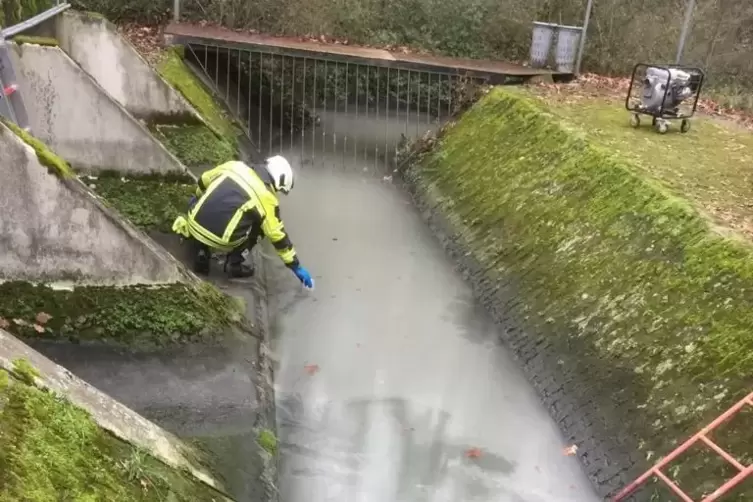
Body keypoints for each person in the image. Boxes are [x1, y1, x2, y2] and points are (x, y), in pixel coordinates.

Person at [171, 156, 314, 289]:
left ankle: (201, 249)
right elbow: (278, 236)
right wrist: (296, 266)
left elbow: (203, 180)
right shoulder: (267, 198)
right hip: (222, 239)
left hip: (194, 222)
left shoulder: (234, 166)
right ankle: (234, 263)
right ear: (278, 181)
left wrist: (199, 198)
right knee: (262, 226)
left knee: (204, 199)